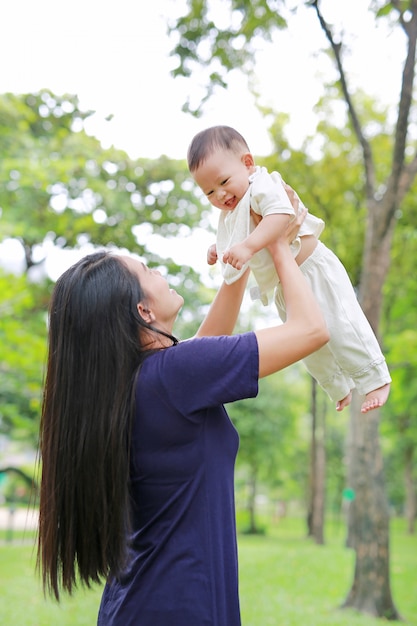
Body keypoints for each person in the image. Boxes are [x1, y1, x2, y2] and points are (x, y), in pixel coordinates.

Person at [37, 199, 329, 626]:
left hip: (139, 604)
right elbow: (311, 330)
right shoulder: (174, 376)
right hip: (177, 607)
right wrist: (281, 244)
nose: (159, 271)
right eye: (147, 270)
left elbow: (203, 348)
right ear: (144, 311)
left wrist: (244, 246)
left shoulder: (136, 385)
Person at [187, 125, 391, 414]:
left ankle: (375, 377)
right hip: (285, 285)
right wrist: (218, 249)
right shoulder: (232, 210)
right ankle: (338, 386)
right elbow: (236, 235)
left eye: (223, 181)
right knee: (306, 346)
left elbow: (280, 214)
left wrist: (246, 247)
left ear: (247, 163)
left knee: (342, 323)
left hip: (313, 269)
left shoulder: (261, 185)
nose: (220, 194)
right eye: (209, 191)